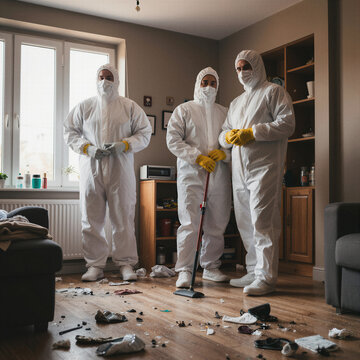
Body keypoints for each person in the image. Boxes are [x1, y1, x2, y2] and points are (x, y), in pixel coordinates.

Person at [64, 64, 152, 282]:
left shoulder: (129, 107)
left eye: (109, 77)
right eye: (101, 77)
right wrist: (87, 148)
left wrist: (125, 144)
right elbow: (69, 131)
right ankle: (95, 265)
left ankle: (126, 264)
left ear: (117, 80)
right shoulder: (85, 107)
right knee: (91, 218)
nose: (105, 81)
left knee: (123, 217)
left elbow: (145, 132)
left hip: (120, 169)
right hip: (90, 168)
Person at [219, 50, 295, 296]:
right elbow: (224, 132)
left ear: (257, 66)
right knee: (245, 222)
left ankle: (266, 277)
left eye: (246, 67)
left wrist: (253, 132)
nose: (242, 72)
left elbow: (287, 123)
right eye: (238, 68)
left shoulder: (273, 92)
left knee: (263, 222)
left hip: (265, 168)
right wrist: (227, 137)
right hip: (240, 170)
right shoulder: (236, 102)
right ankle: (253, 270)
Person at [166, 67, 231, 288]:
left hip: (219, 173)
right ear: (197, 84)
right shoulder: (184, 110)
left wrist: (224, 154)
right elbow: (173, 140)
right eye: (205, 82)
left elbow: (231, 140)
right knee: (190, 221)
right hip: (191, 173)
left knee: (217, 222)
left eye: (213, 83)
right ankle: (185, 269)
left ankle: (211, 266)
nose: (209, 87)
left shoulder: (225, 112)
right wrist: (197, 157)